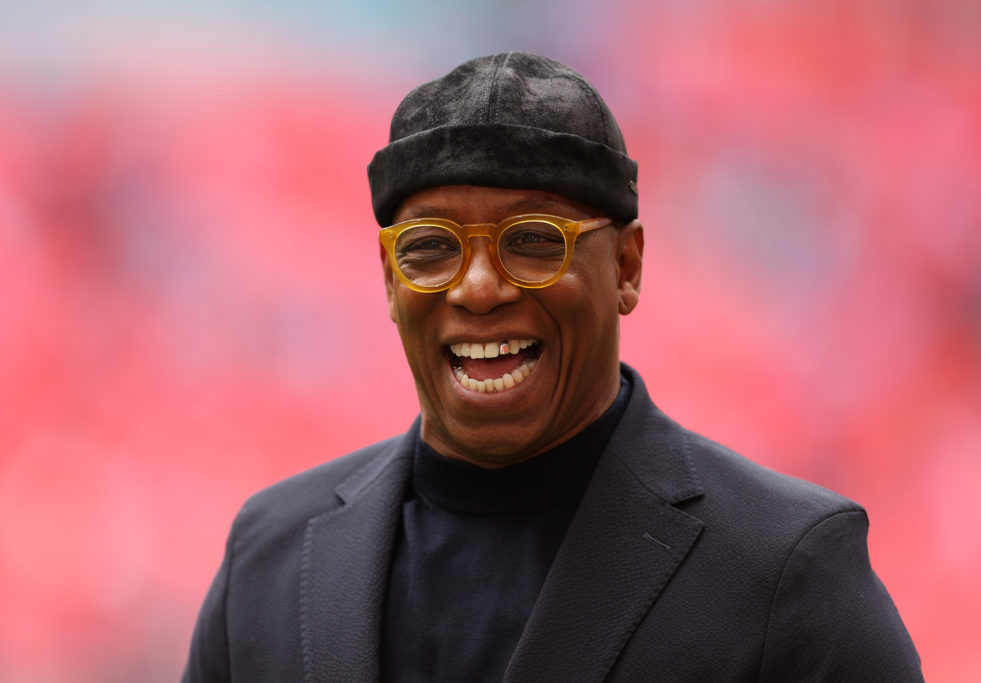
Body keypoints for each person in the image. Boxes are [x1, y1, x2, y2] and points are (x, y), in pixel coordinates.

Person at [183, 52, 923, 682]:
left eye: (534, 241)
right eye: (431, 246)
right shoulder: (270, 555)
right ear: (388, 277)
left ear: (627, 266)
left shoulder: (788, 573)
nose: (476, 288)